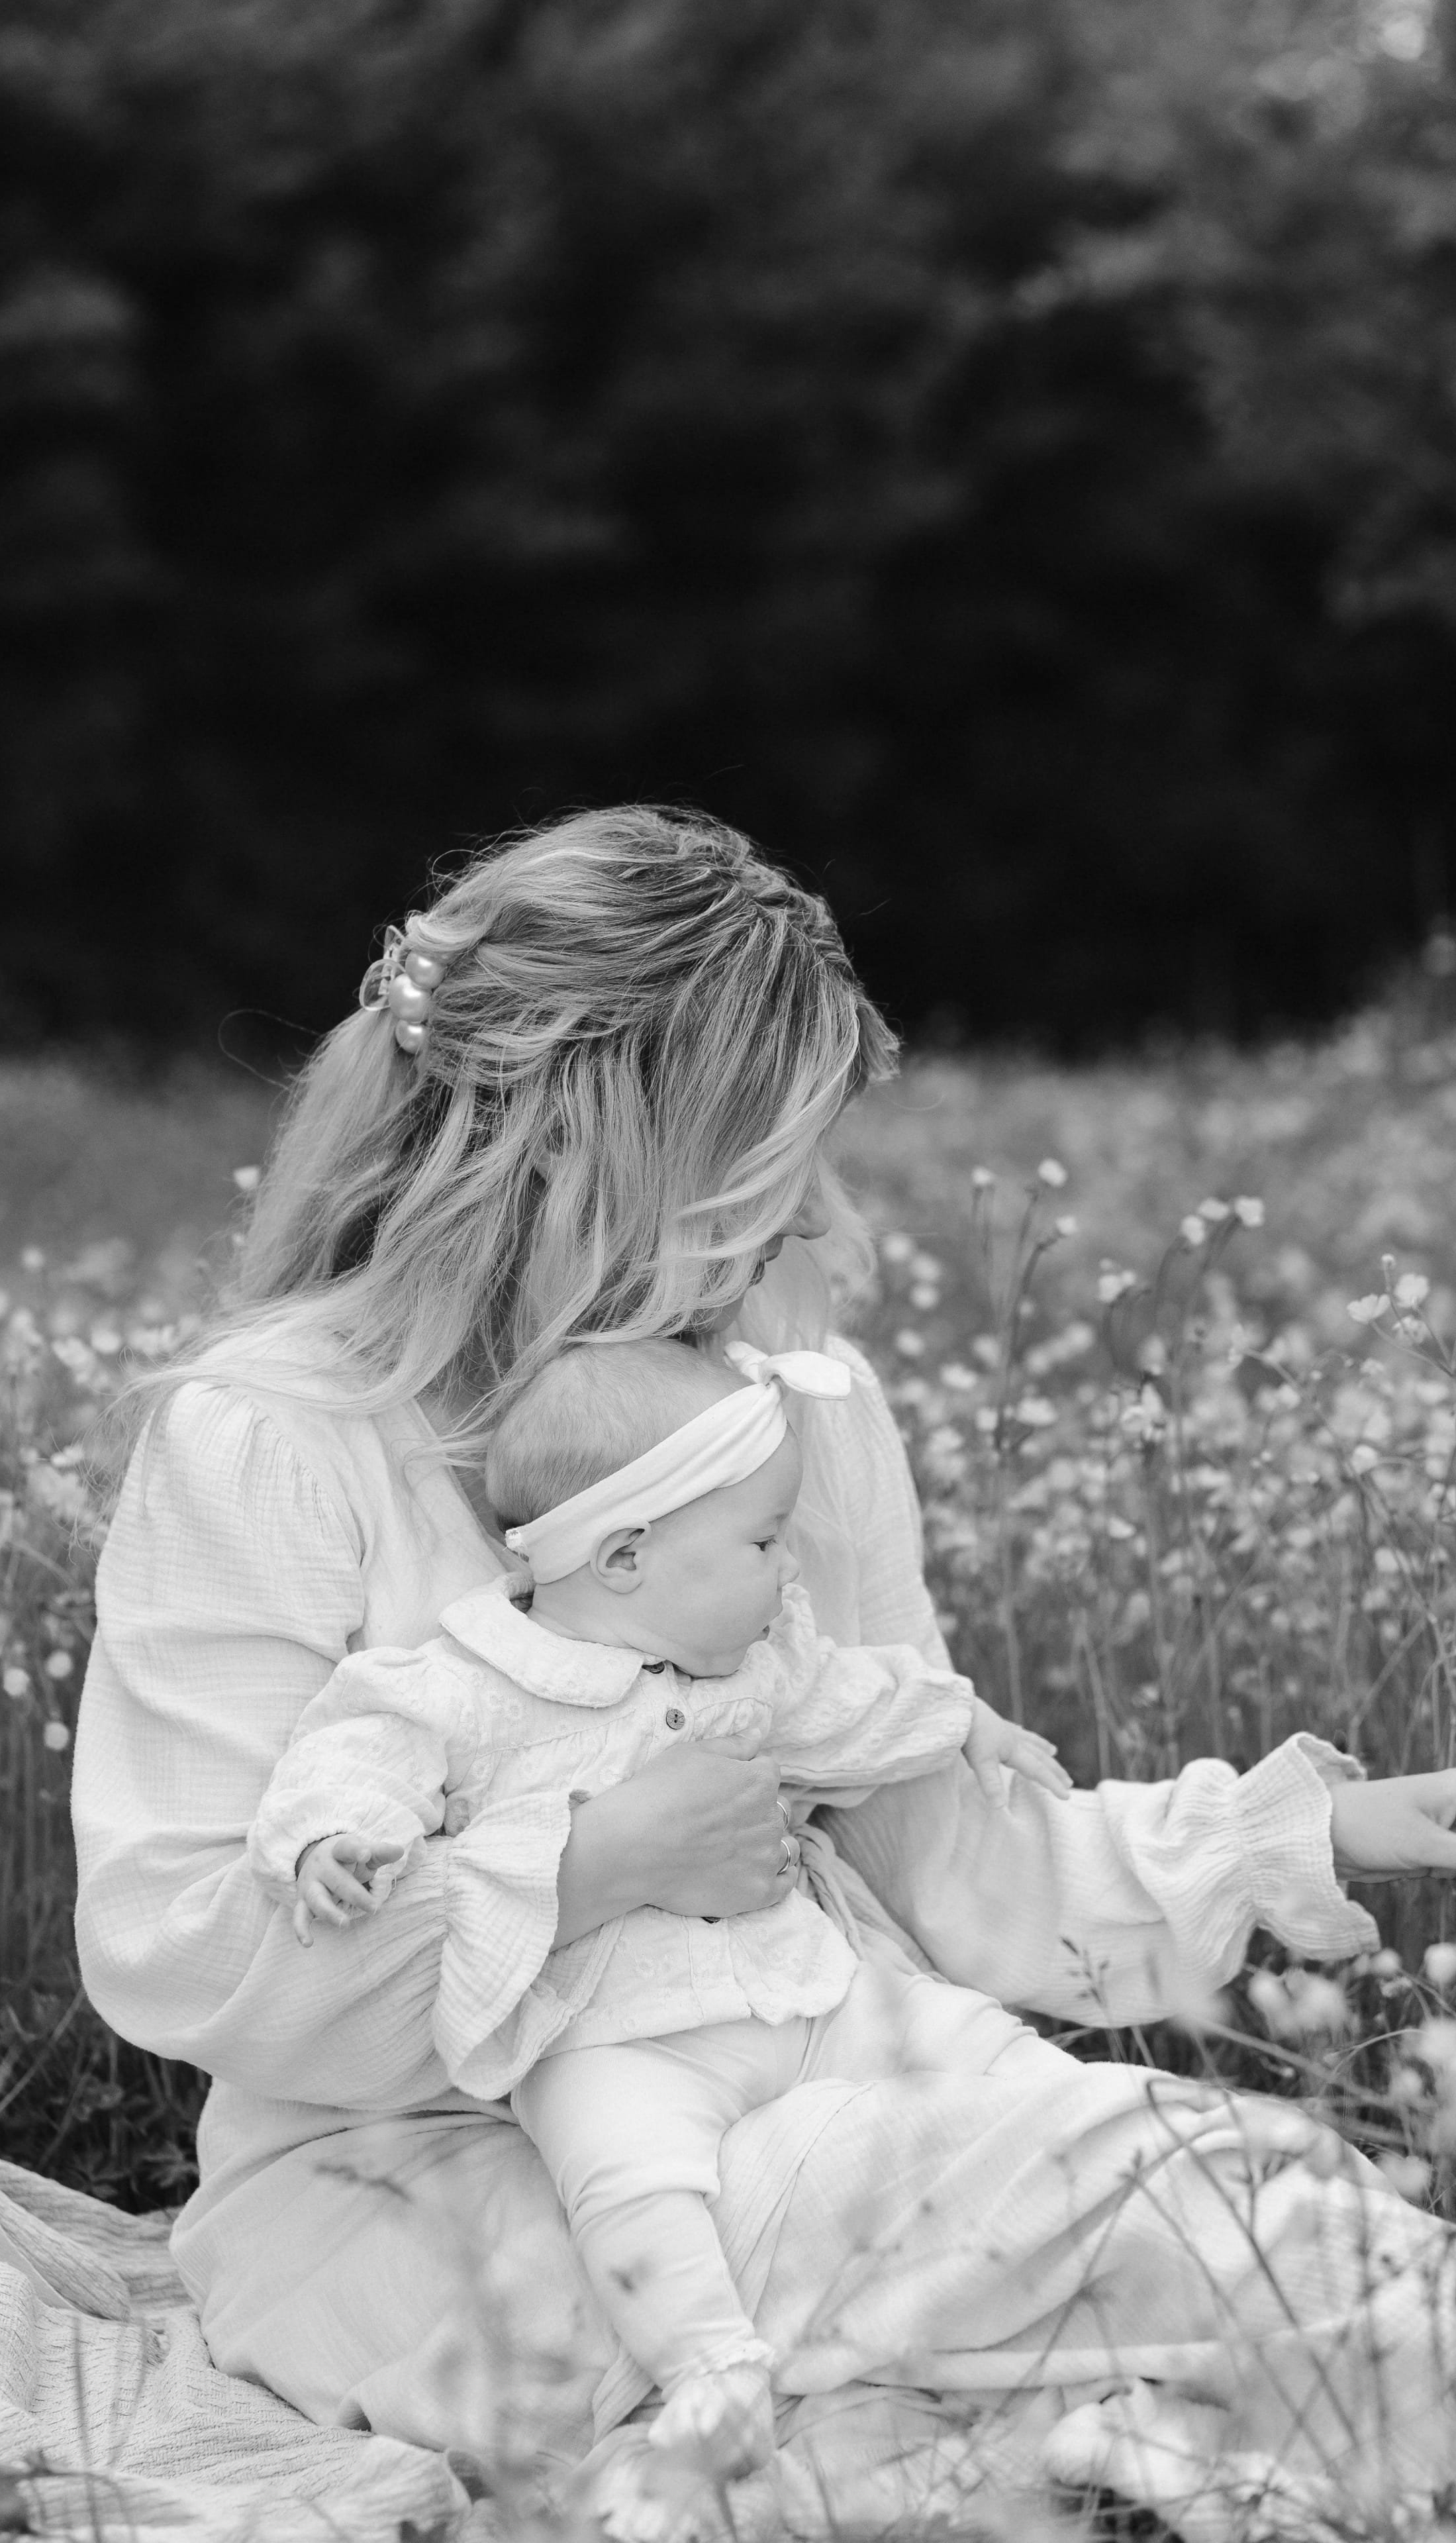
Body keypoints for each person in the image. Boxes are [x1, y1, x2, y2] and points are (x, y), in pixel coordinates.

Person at [73, 807, 1456, 2541]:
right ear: (595, 1151)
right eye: (768, 1162)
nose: (813, 1217)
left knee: (1243, 2215)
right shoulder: (278, 1440)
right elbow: (177, 1945)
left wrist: (1307, 1837)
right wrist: (587, 1867)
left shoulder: (792, 1416)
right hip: (426, 2183)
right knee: (1109, 2228)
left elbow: (947, 1855)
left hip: (826, 2084)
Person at [246, 1334, 1074, 2488]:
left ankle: (1086, 2138)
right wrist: (327, 1840)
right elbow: (359, 1750)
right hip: (612, 2033)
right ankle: (712, 2372)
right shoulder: (474, 1682)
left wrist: (963, 1719)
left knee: (961, 2036)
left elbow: (853, 1701)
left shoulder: (750, 1672)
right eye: (764, 1541)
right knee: (625, 2180)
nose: (789, 1568)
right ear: (626, 1556)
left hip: (799, 1989)